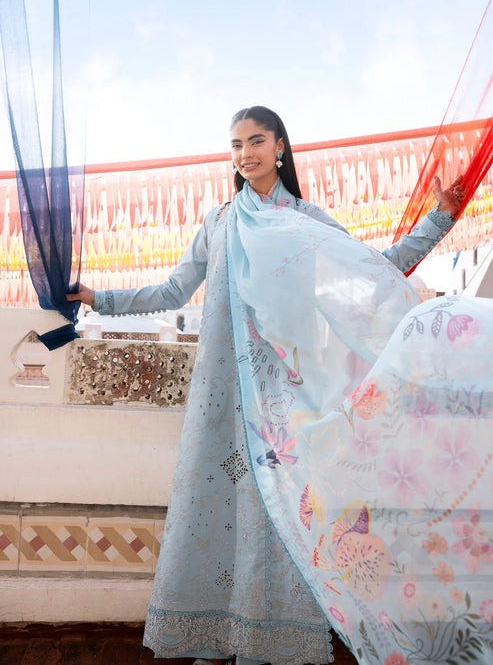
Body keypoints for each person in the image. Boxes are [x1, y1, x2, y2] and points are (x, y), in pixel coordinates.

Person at [68, 106, 485, 665]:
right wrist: (99, 299)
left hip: (286, 394)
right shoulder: (220, 222)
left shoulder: (305, 222)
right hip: (221, 389)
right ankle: (214, 636)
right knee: (215, 504)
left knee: (282, 509)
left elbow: (376, 269)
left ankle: (267, 640)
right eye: (236, 145)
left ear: (281, 147)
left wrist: (439, 219)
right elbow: (173, 292)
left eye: (257, 141)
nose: (245, 154)